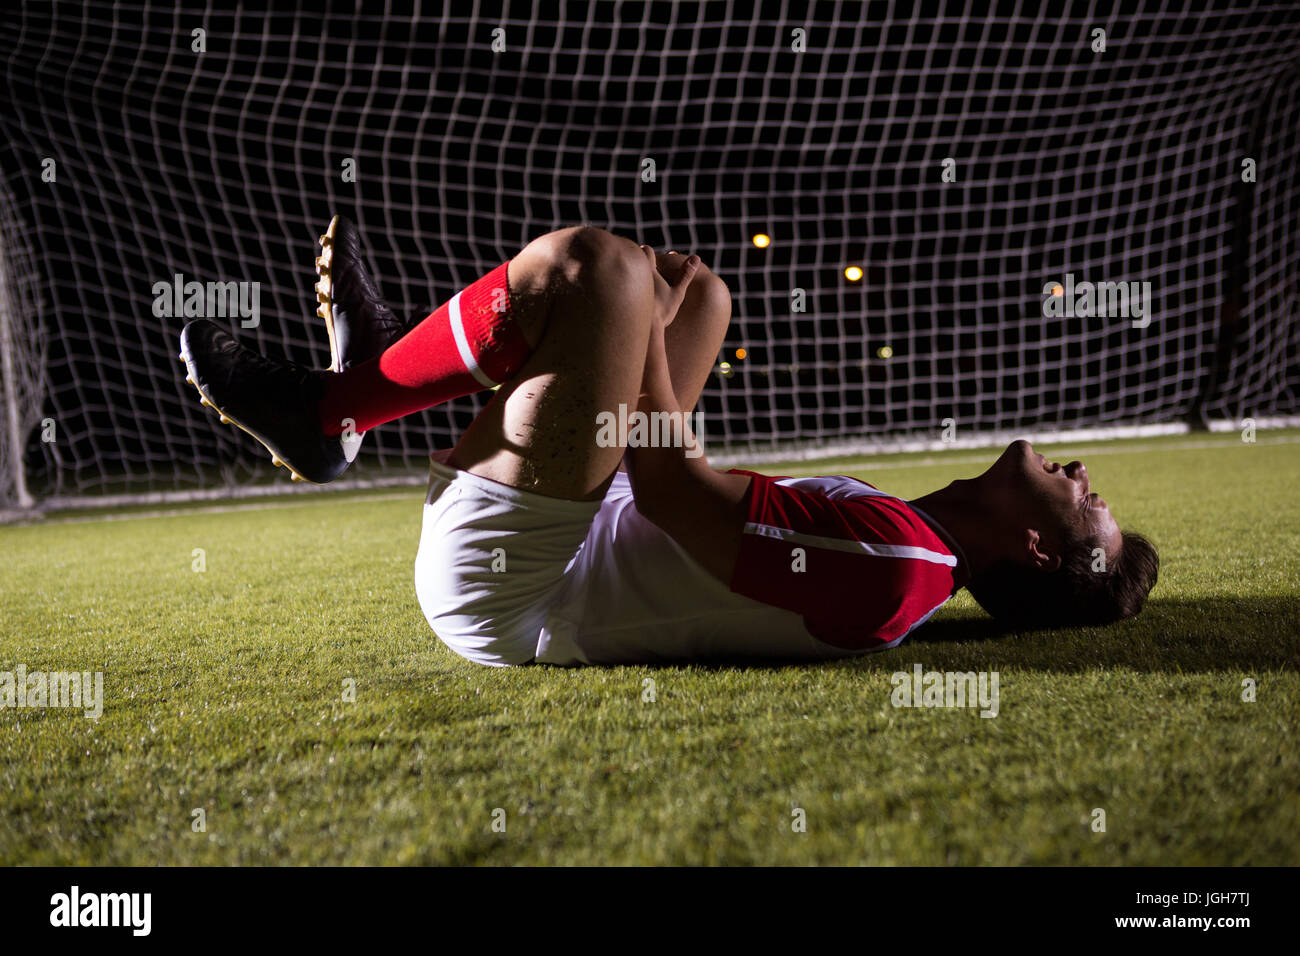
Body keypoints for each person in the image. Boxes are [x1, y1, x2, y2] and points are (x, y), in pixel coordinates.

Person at [179, 217, 1158, 666]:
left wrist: (638, 319)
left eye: (1090, 504)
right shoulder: (908, 535)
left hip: (507, 590)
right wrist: (659, 318)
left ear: (1034, 549)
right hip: (580, 524)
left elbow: (672, 495)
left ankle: (334, 406)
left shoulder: (902, 566)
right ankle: (356, 397)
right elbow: (666, 490)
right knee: (700, 288)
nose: (1081, 476)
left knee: (597, 269)